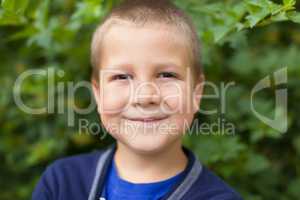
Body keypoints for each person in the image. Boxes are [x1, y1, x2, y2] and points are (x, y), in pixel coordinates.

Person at [32, 0, 243, 199]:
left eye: (166, 75)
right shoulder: (61, 183)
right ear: (98, 93)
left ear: (196, 94)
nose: (145, 97)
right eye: (122, 77)